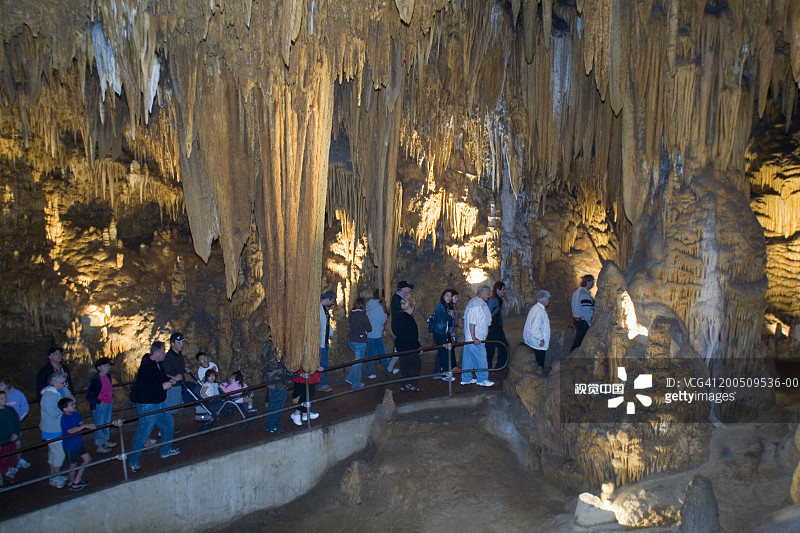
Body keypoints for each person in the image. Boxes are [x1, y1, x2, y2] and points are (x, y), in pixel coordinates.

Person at [128, 341, 180, 473]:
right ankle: (133, 460)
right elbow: (145, 387)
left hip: (159, 402)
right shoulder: (147, 366)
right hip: (148, 404)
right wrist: (162, 387)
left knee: (168, 424)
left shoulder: (158, 365)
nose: (165, 354)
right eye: (163, 351)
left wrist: (170, 380)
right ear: (157, 353)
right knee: (144, 432)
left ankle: (166, 449)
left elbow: (161, 378)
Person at [39, 371, 74, 487]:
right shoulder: (48, 396)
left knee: (53, 453)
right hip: (52, 430)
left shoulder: (62, 391)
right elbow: (53, 413)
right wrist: (65, 407)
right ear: (54, 383)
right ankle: (54, 477)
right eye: (62, 382)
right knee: (59, 454)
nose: (65, 384)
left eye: (65, 382)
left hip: (59, 427)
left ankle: (54, 475)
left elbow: (72, 400)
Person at [58, 397, 94, 491]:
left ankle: (77, 480)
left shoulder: (75, 413)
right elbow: (70, 431)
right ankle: (72, 482)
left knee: (87, 459)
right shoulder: (64, 418)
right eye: (71, 405)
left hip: (78, 443)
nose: (74, 406)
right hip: (70, 446)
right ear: (65, 409)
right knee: (73, 465)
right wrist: (85, 426)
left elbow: (80, 423)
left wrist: (86, 425)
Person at [461, 286, 494, 387]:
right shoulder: (477, 305)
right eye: (488, 293)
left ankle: (466, 378)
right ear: (482, 293)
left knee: (468, 358)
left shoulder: (473, 302)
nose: (489, 295)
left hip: (470, 338)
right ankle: (482, 379)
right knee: (481, 357)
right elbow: (472, 323)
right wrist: (474, 337)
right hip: (475, 338)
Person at [85, 357, 117, 454]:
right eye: (104, 366)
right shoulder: (95, 378)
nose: (107, 368)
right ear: (99, 368)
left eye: (108, 366)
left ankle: (106, 441)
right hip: (100, 405)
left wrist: (111, 396)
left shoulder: (108, 376)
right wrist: (98, 401)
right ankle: (100, 445)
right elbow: (89, 393)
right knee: (99, 424)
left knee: (106, 423)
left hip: (108, 402)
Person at [261, 338, 292, 434]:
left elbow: (263, 360)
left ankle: (269, 425)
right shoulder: (279, 346)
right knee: (278, 405)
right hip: (279, 380)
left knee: (272, 404)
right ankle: (272, 426)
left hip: (270, 379)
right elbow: (284, 363)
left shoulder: (266, 344)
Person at [363, 289, 397, 377]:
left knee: (378, 353)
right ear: (381, 297)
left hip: (371, 333)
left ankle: (387, 369)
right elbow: (382, 320)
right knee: (377, 353)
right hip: (375, 334)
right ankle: (369, 372)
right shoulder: (377, 307)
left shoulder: (368, 304)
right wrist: (387, 315)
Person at [0, 377, 30, 470]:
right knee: (5, 448)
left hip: (15, 425)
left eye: (1, 385)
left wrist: (18, 419)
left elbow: (25, 407)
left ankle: (18, 460)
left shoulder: (17, 394)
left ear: (7, 385)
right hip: (3, 429)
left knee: (17, 444)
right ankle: (7, 466)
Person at [394, 298, 422, 392]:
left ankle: (404, 384)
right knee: (415, 365)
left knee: (404, 366)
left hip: (401, 346)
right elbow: (413, 335)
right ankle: (411, 384)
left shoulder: (399, 317)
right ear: (410, 307)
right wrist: (418, 346)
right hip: (410, 346)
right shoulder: (409, 319)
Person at [345, 297, 372, 390]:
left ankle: (349, 378)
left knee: (357, 360)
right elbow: (369, 328)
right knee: (358, 363)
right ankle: (356, 383)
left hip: (351, 340)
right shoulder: (362, 316)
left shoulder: (351, 314)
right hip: (359, 341)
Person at [431, 289, 456, 380]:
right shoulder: (440, 306)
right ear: (443, 296)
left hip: (443, 333)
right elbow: (444, 317)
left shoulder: (447, 307)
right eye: (447, 296)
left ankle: (442, 372)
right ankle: (444, 374)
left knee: (444, 352)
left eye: (450, 296)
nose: (449, 298)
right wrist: (449, 314)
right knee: (443, 353)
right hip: (439, 333)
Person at [524, 290, 552, 368]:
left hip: (532, 341)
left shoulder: (535, 308)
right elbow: (535, 329)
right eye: (548, 299)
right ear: (544, 300)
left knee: (534, 365)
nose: (549, 301)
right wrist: (541, 338)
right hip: (537, 343)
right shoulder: (539, 311)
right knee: (538, 365)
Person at [291, 356, 322, 426]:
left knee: (310, 392)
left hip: (311, 370)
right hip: (305, 370)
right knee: (304, 392)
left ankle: (305, 412)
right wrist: (314, 367)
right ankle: (297, 413)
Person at [163, 332, 189, 416]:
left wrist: (184, 369)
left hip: (180, 386)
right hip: (173, 387)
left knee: (180, 408)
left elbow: (177, 367)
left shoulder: (178, 354)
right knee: (172, 410)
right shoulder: (168, 357)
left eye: (182, 342)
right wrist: (174, 377)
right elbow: (164, 373)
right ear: (172, 344)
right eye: (179, 342)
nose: (181, 345)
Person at [486, 281, 509, 370]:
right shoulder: (493, 300)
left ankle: (499, 366)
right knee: (490, 349)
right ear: (497, 290)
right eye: (503, 289)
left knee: (503, 346)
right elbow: (487, 314)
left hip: (497, 328)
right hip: (493, 329)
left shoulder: (498, 300)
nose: (505, 291)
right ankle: (489, 368)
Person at [0, 390, 21, 485]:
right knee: (1, 460)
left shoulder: (10, 410)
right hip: (1, 441)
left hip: (10, 440)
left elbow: (17, 422)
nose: (5, 399)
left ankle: (9, 472)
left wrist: (16, 433)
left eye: (5, 397)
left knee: (10, 457)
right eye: (2, 398)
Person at [570, 275, 595, 351]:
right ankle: (572, 357)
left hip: (576, 319)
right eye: (592, 281)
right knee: (580, 343)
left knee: (578, 340)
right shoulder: (584, 294)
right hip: (583, 321)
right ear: (588, 282)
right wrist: (589, 322)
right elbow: (586, 310)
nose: (593, 283)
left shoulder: (577, 291)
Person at [318, 291, 336, 393]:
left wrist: (330, 333)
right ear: (328, 299)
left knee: (324, 361)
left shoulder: (324, 309)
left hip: (324, 340)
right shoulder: (318, 309)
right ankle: (322, 383)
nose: (332, 303)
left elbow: (326, 324)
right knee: (322, 363)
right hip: (320, 341)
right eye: (332, 301)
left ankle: (323, 381)